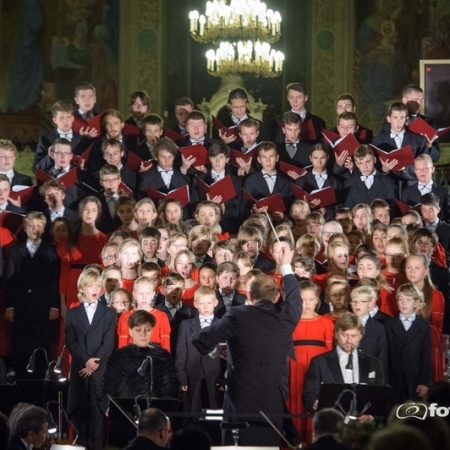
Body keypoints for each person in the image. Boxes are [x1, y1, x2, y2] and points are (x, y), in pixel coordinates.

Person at [192, 245, 301, 446]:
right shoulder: (287, 316)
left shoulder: (237, 315)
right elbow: (295, 297)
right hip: (272, 402)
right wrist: (285, 265)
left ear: (249, 296)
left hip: (239, 402)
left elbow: (201, 340)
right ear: (276, 297)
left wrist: (221, 350)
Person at [65, 269, 116, 450]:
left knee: (97, 416)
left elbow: (108, 344)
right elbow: (70, 342)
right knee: (80, 414)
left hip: (99, 372)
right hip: (80, 371)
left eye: (97, 285)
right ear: (82, 288)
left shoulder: (109, 313)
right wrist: (85, 361)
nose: (95, 289)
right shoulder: (72, 314)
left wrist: (93, 363)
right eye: (90, 286)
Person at [5, 212, 60, 379]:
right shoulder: (16, 251)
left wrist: (54, 305)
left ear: (43, 229)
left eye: (38, 226)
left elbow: (54, 281)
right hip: (22, 307)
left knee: (41, 347)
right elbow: (10, 280)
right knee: (21, 348)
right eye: (31, 225)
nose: (34, 229)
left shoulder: (51, 251)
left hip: (42, 308)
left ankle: (40, 387)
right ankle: (21, 386)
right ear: (25, 227)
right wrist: (9, 305)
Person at [302, 313, 385, 414]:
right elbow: (309, 394)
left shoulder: (373, 363)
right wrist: (314, 403)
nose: (349, 340)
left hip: (363, 426)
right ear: (336, 334)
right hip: (332, 423)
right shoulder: (319, 362)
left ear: (361, 336)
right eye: (344, 335)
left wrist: (371, 417)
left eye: (353, 336)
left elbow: (380, 397)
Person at [288, 280, 334, 441]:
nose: (307, 304)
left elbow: (329, 353)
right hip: (294, 366)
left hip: (317, 368)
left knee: (314, 398)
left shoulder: (326, 322)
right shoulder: (291, 322)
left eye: (311, 299)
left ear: (317, 301)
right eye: (302, 300)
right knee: (295, 398)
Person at [101, 310, 179, 403]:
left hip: (155, 412)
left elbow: (172, 389)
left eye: (148, 330)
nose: (143, 334)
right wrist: (108, 405)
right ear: (130, 331)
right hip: (125, 410)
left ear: (152, 330)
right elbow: (107, 389)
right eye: (138, 330)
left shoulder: (163, 357)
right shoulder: (119, 356)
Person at [176, 286, 224, 415]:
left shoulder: (223, 325)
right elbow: (181, 353)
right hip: (192, 373)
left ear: (215, 303)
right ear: (195, 304)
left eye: (209, 303)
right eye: (202, 303)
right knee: (191, 409)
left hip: (215, 376)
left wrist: (223, 378)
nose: (206, 307)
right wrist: (182, 377)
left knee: (214, 408)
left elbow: (227, 355)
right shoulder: (186, 325)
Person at [385, 283, 431, 404]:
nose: (404, 303)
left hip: (415, 380)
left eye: (408, 299)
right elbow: (386, 354)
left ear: (416, 302)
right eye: (400, 299)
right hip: (394, 378)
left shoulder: (424, 326)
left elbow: (426, 356)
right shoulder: (389, 324)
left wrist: (424, 382)